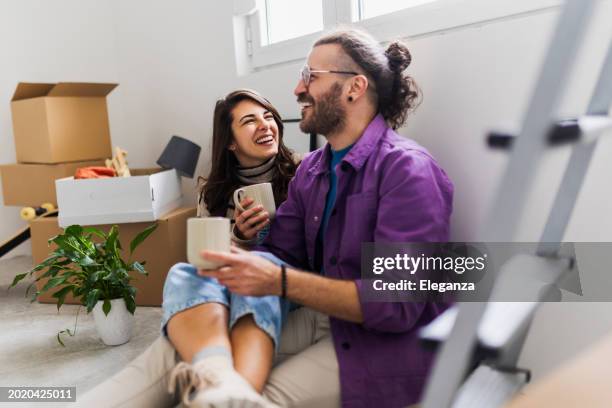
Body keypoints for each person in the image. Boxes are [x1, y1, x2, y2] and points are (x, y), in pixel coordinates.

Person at [77, 28, 453, 408]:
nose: (296, 89)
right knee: (185, 309)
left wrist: (279, 280)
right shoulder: (314, 170)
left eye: (310, 77)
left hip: (386, 343)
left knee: (244, 395)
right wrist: (236, 252)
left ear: (354, 88)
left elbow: (395, 303)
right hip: (325, 317)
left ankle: (228, 388)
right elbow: (279, 253)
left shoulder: (406, 171)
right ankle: (218, 378)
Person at [76, 89, 298, 408]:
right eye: (250, 120)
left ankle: (232, 388)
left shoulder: (303, 173)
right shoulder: (213, 193)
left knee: (252, 270)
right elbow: (205, 257)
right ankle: (223, 383)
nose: (265, 125)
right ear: (231, 142)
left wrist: (256, 245)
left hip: (274, 275)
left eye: (269, 117)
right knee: (182, 271)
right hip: (228, 275)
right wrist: (240, 236)